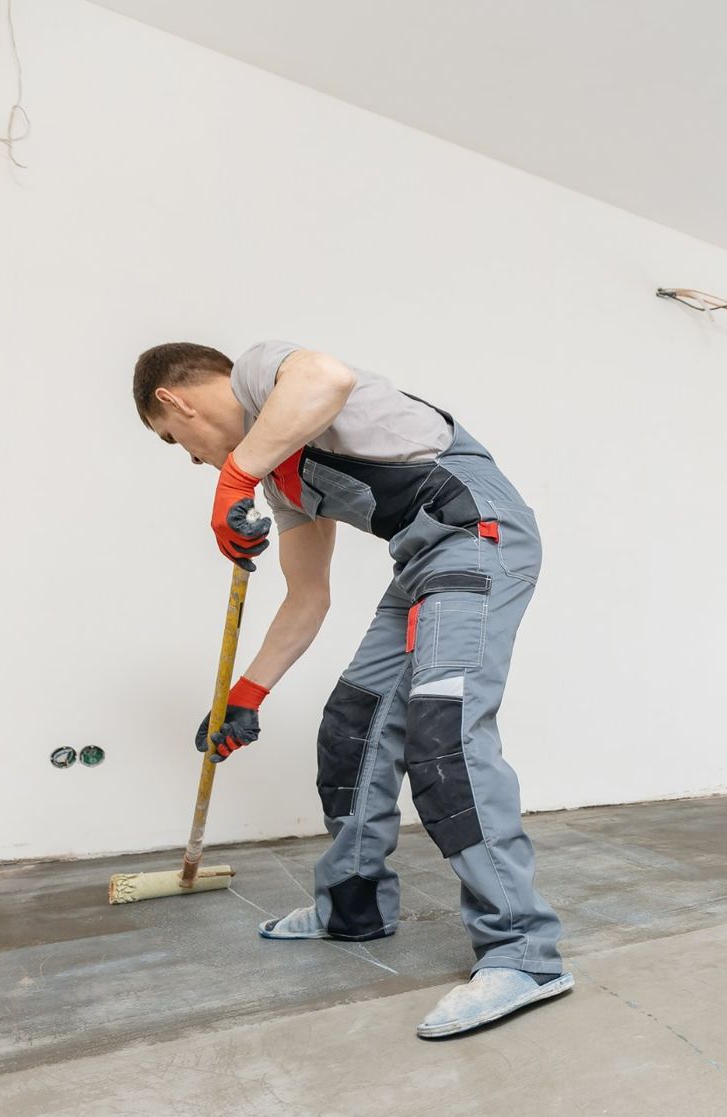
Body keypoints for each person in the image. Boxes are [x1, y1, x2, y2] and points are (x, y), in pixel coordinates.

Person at [131, 340, 569, 1038]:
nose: (190, 457)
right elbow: (308, 598)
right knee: (353, 726)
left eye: (174, 441)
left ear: (174, 401)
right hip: (421, 565)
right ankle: (352, 907)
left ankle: (524, 954)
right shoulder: (281, 478)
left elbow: (327, 377)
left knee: (444, 735)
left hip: (478, 536)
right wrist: (246, 695)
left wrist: (232, 480)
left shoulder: (262, 374)